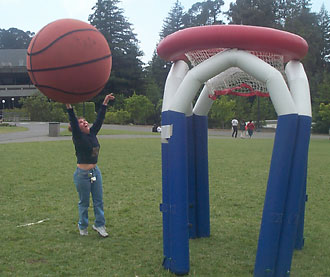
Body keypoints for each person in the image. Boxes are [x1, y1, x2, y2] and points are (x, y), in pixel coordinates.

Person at [66, 93, 115, 237]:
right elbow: (73, 121)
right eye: (81, 123)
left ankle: (99, 225)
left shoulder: (93, 133)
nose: (84, 122)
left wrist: (105, 102)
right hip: (82, 174)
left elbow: (100, 119)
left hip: (95, 172)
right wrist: (68, 106)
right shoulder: (78, 137)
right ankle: (82, 226)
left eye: (85, 121)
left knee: (99, 201)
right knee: (84, 203)